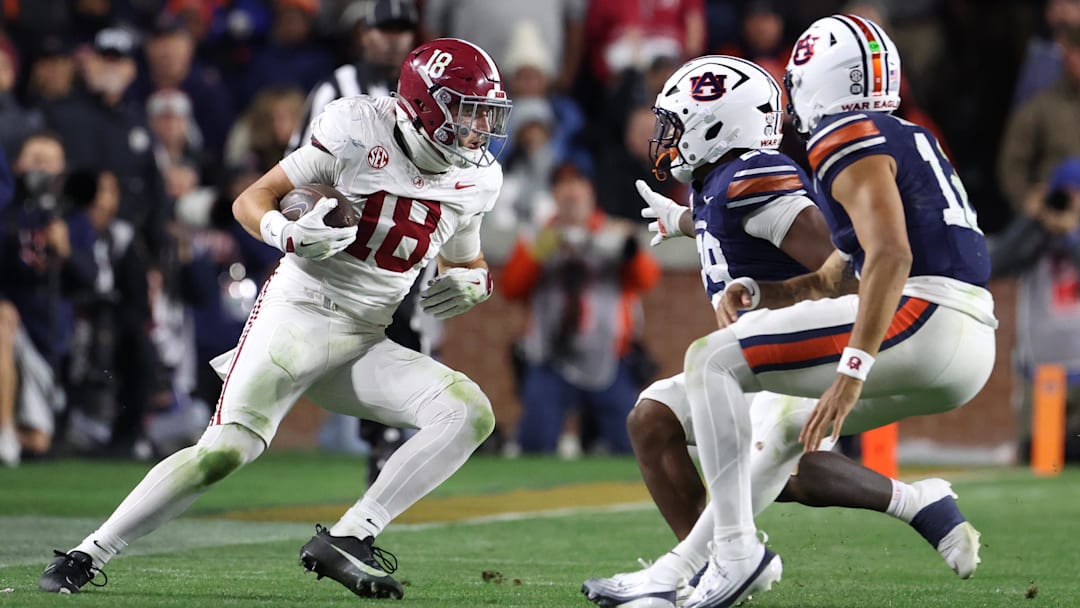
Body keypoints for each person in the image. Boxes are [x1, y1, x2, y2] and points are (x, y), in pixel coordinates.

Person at [38, 38, 513, 600]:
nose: (479, 127)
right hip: (300, 313)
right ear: (427, 103)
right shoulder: (358, 126)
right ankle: (89, 552)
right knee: (225, 451)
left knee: (468, 412)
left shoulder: (477, 178)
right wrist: (285, 232)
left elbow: (467, 257)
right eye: (466, 108)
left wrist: (477, 282)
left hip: (367, 337)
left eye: (486, 112)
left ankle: (350, 536)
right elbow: (253, 198)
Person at [581, 55, 982, 608]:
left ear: (716, 124)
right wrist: (680, 222)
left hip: (794, 351)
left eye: (676, 123)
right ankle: (717, 566)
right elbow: (718, 216)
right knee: (655, 419)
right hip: (760, 355)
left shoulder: (753, 177)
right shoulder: (720, 179)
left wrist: (843, 350)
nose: (665, 137)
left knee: (776, 459)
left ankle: (704, 568)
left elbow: (843, 263)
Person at [288, 0, 425, 477]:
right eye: (384, 28)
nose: (393, 38)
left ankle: (386, 438)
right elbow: (300, 168)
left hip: (405, 239)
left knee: (405, 334)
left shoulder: (424, 92)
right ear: (363, 33)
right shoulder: (335, 89)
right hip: (344, 241)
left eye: (402, 29)